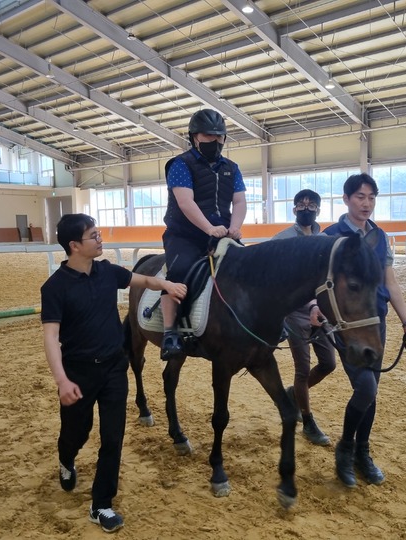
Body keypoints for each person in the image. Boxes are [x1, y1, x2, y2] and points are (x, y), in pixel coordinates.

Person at [41, 213, 186, 533]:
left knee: (113, 438)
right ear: (74, 245)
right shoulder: (54, 288)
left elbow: (143, 281)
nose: (100, 239)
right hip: (77, 374)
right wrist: (62, 380)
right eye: (94, 236)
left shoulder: (107, 272)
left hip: (113, 369)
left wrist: (166, 284)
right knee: (76, 433)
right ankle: (66, 459)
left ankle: (101, 504)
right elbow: (51, 336)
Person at [323, 173, 406, 488]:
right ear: (346, 199)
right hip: (346, 325)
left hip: (375, 321)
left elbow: (389, 281)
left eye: (371, 198)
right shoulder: (330, 238)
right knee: (366, 388)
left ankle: (361, 452)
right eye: (360, 197)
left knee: (371, 391)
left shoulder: (380, 237)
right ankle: (346, 449)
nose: (366, 204)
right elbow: (316, 285)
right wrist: (314, 311)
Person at [159, 108, 246, 360]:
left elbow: (239, 202)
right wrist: (208, 228)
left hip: (222, 233)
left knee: (251, 267)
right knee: (178, 272)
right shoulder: (180, 164)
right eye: (209, 137)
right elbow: (185, 202)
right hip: (185, 235)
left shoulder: (232, 167)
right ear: (194, 137)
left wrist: (236, 226)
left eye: (220, 137)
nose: (215, 142)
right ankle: (169, 332)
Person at [272, 189, 336, 446]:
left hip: (320, 311)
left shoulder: (324, 238)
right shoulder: (282, 239)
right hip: (295, 311)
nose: (305, 208)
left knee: (329, 363)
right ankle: (308, 422)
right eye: (301, 204)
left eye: (311, 205)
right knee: (302, 368)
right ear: (294, 209)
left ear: (318, 209)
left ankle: (293, 394)